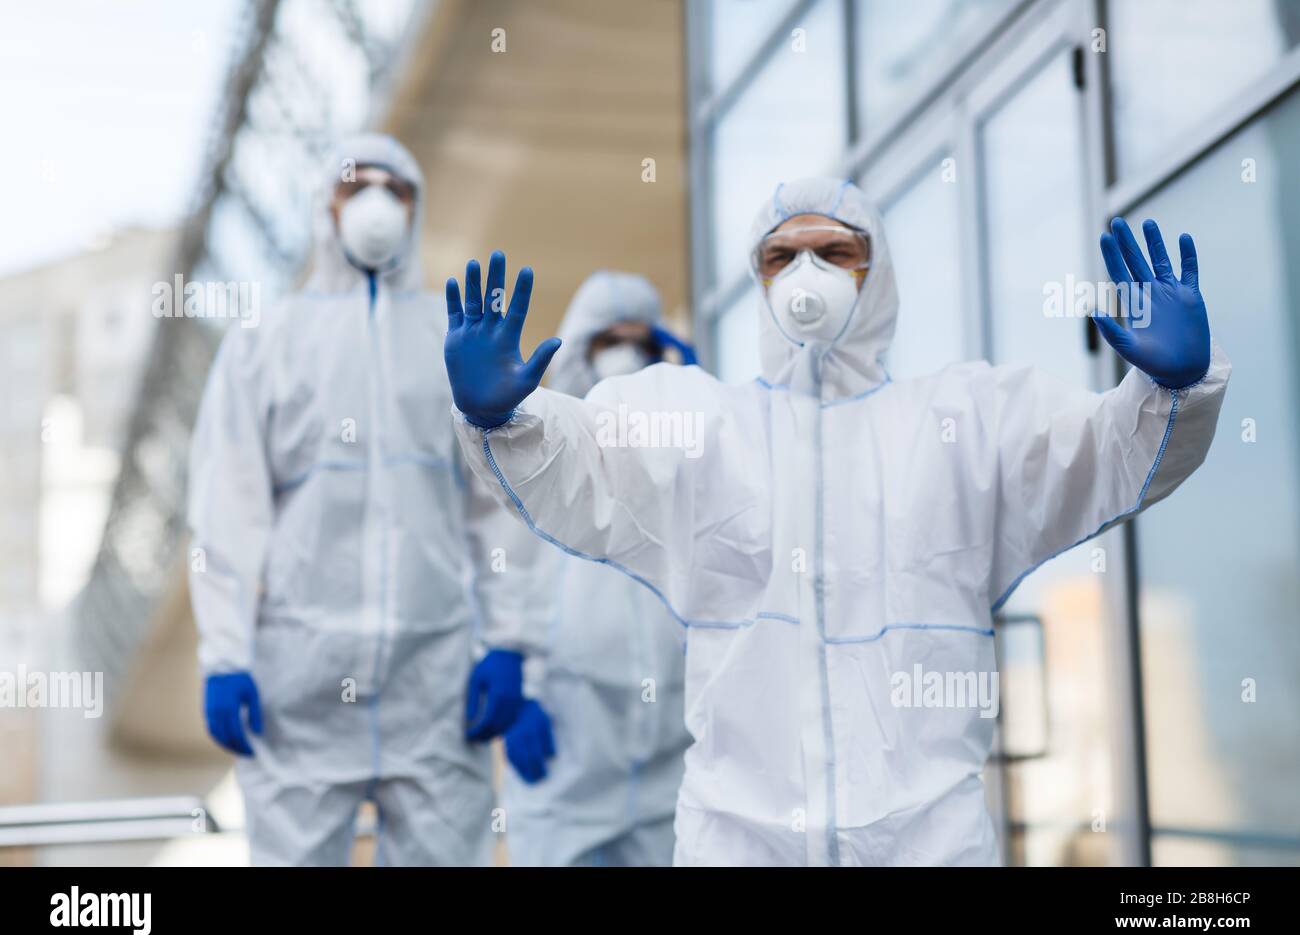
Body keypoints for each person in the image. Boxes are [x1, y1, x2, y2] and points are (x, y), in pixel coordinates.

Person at [440, 177, 1230, 866]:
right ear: (758, 278)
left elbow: (1097, 454)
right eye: (781, 257)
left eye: (834, 252)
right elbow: (585, 454)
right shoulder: (703, 425)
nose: (806, 272)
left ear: (874, 271)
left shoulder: (966, 420)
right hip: (737, 840)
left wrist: (1170, 393)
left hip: (928, 841)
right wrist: (505, 418)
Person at [188, 133, 546, 866]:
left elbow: (496, 508)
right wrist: (224, 655)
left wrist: (509, 644)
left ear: (415, 209)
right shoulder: (268, 341)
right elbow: (228, 506)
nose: (377, 201)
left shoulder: (449, 340)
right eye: (358, 184)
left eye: (397, 187)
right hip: (301, 686)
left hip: (436, 685)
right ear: (327, 205)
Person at [497, 271, 695, 867]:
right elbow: (505, 573)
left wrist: (701, 399)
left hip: (670, 749)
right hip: (570, 742)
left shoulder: (682, 449)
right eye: (609, 340)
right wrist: (519, 683)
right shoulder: (542, 448)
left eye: (639, 340)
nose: (626, 354)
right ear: (580, 349)